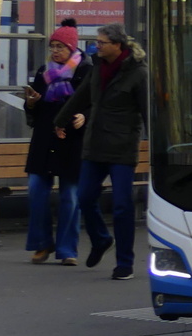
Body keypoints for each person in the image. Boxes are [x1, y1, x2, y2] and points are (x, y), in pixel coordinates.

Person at [55, 23, 148, 280]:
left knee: (121, 205)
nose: (97, 46)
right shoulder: (98, 68)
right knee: (84, 197)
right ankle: (101, 239)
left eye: (102, 42)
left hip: (121, 148)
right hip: (94, 145)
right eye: (97, 41)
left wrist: (161, 149)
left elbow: (148, 111)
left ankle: (125, 263)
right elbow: (81, 96)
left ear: (118, 45)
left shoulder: (138, 73)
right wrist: (60, 121)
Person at [22, 19, 91, 266]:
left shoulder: (85, 71)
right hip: (44, 139)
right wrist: (31, 102)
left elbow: (96, 104)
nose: (55, 52)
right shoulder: (44, 71)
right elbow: (34, 108)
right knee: (36, 191)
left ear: (72, 48)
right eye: (52, 47)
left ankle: (67, 249)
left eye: (60, 47)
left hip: (73, 141)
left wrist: (86, 115)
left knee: (70, 197)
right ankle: (42, 245)